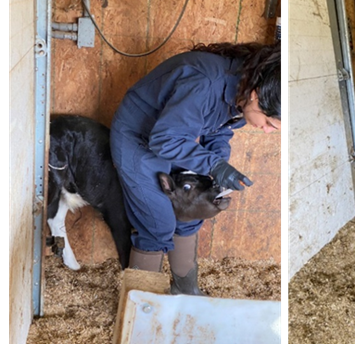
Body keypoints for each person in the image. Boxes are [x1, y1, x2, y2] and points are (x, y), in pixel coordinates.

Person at [110, 42, 282, 295]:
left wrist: (220, 167)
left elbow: (219, 132)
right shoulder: (205, 83)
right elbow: (165, 140)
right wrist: (213, 165)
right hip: (139, 137)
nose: (266, 130)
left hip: (178, 137)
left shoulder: (242, 92)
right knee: (157, 225)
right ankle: (141, 303)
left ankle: (186, 291)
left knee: (191, 211)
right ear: (256, 95)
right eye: (268, 123)